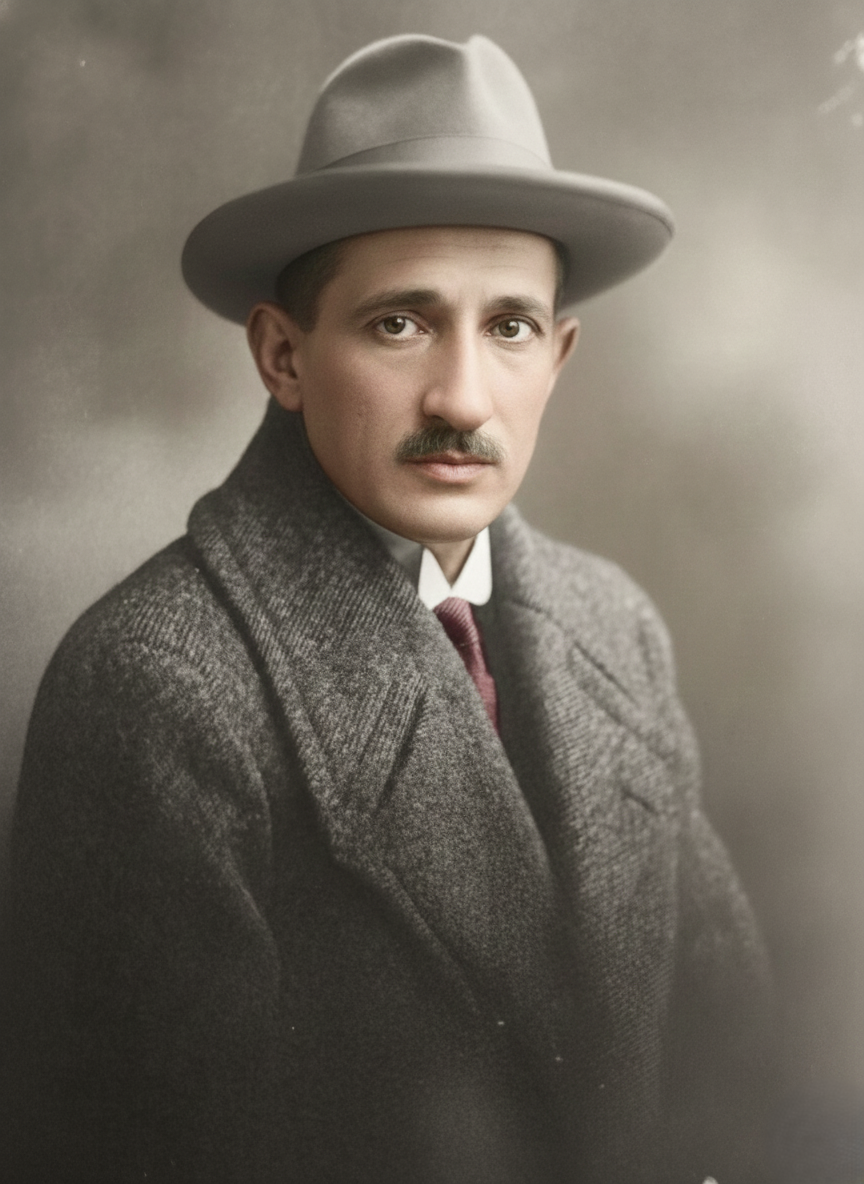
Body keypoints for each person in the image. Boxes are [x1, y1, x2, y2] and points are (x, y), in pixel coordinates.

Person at [1, 33, 771, 1184]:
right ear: (283, 355)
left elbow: (739, 1084)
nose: (462, 396)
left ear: (559, 356)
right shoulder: (158, 687)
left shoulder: (616, 630)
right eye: (399, 323)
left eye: (509, 326)